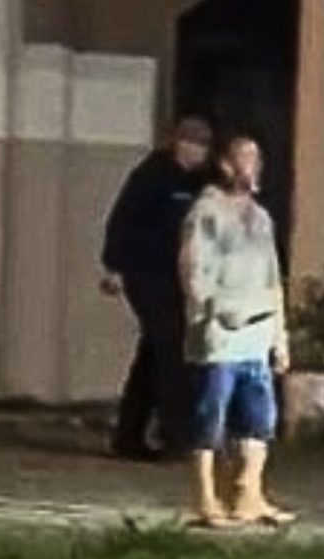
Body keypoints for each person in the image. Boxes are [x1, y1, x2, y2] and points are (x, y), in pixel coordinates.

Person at [178, 135, 294, 526]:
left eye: (256, 159)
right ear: (226, 165)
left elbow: (273, 278)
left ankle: (249, 495)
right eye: (245, 159)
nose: (253, 167)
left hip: (257, 335)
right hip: (221, 337)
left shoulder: (261, 218)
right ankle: (206, 499)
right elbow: (193, 271)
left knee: (259, 420)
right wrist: (213, 313)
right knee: (210, 417)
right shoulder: (206, 213)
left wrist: (279, 336)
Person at [100, 116, 213, 460]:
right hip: (146, 274)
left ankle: (129, 434)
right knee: (170, 347)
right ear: (179, 143)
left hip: (177, 277)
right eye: (192, 144)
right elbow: (123, 220)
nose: (197, 152)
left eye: (203, 146)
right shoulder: (152, 175)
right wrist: (114, 266)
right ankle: (175, 433)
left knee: (154, 351)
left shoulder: (200, 183)